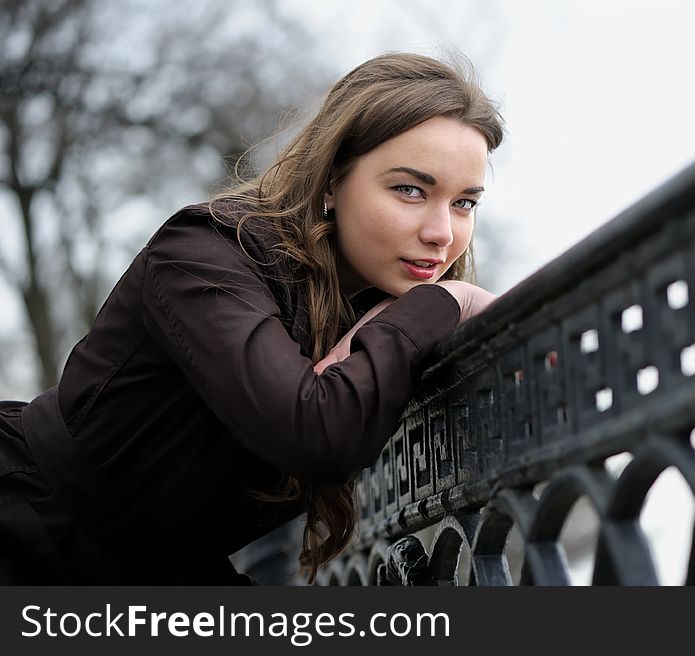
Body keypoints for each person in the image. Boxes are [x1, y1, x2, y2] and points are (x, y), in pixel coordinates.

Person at [0, 52, 504, 584]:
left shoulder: (375, 310)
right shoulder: (203, 253)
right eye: (410, 190)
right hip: (28, 525)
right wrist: (450, 301)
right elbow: (315, 435)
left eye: (464, 204)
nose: (442, 233)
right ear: (332, 181)